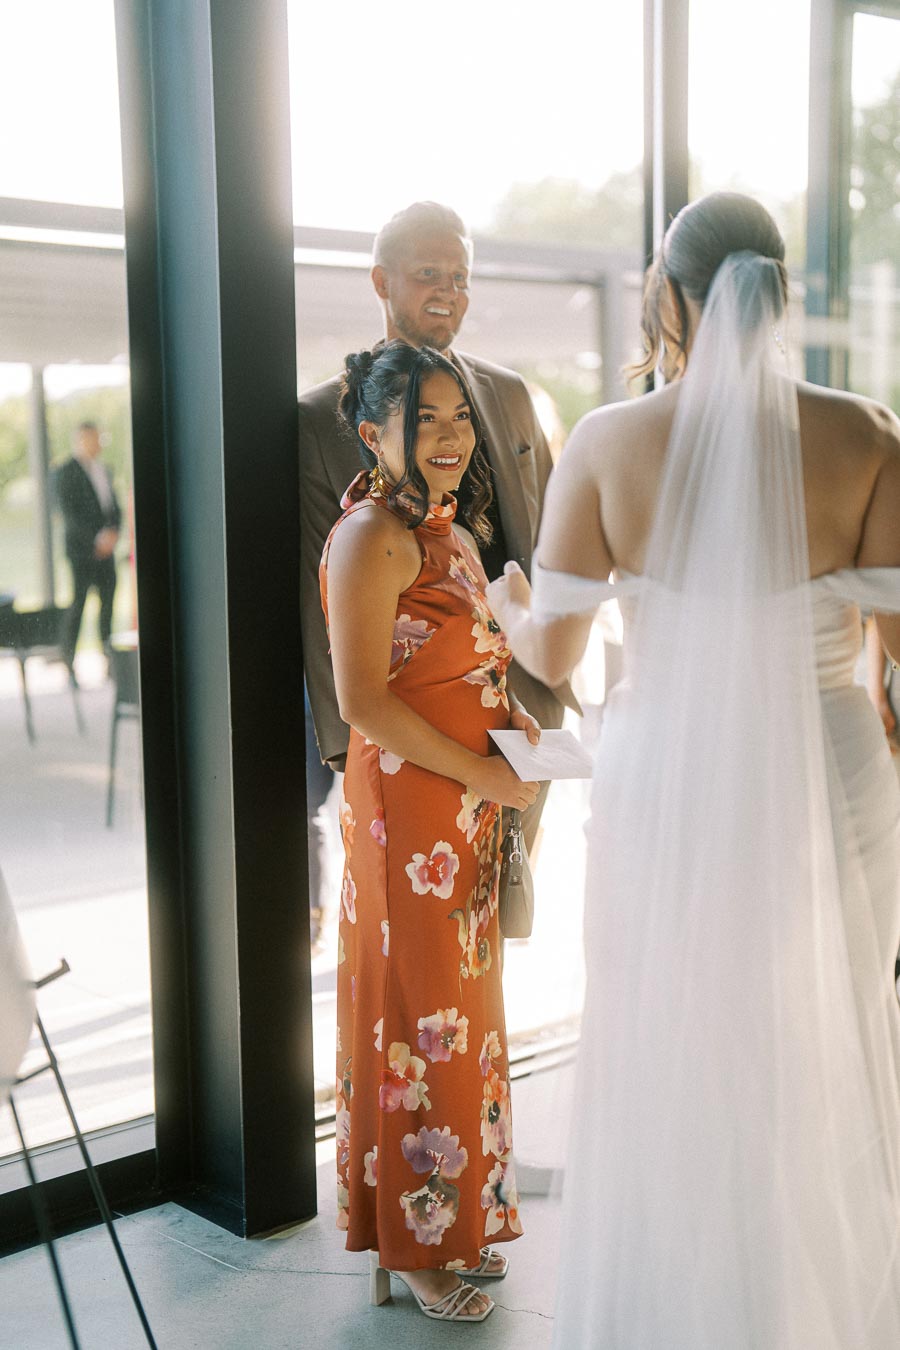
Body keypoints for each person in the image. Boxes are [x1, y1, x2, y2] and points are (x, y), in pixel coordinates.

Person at [487, 193, 900, 1347]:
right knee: (831, 1034)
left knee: (676, 1041)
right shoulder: (868, 434)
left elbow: (556, 656)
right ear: (781, 293)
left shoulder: (612, 443)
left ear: (669, 300)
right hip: (837, 768)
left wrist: (510, 603)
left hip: (669, 774)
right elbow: (899, 659)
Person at [320, 340, 540, 1323]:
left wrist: (513, 728)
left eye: (459, 416)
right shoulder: (370, 538)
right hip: (410, 820)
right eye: (426, 418)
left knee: (461, 1019)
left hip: (463, 809)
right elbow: (364, 700)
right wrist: (483, 770)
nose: (450, 436)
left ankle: (452, 1220)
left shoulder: (444, 528)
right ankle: (411, 1241)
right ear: (375, 434)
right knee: (416, 1024)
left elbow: (456, 662)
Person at [299, 201, 574, 850]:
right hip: (407, 727)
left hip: (523, 705)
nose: (450, 293)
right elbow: (321, 606)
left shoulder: (509, 394)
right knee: (428, 916)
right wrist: (345, 748)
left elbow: (550, 539)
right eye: (430, 273)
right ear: (381, 283)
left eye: (461, 278)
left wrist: (551, 685)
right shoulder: (317, 420)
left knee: (497, 916)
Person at [55, 421, 121, 671]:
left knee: (108, 607)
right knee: (79, 605)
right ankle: (68, 661)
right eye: (92, 438)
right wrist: (96, 539)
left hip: (107, 552)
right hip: (82, 553)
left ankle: (111, 662)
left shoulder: (104, 470)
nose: (97, 444)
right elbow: (70, 515)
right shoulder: (66, 472)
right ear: (80, 440)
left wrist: (113, 533)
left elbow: (113, 508)